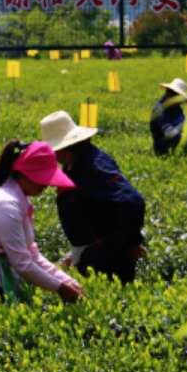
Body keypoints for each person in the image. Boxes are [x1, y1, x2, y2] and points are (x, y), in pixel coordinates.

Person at [0, 140, 83, 303]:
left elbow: (33, 255)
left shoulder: (20, 201)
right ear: (23, 174)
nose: (46, 184)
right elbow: (23, 264)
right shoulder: (6, 205)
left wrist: (68, 282)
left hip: (3, 269)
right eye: (41, 178)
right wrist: (60, 288)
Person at [41, 110, 146, 284]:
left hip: (108, 261)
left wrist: (123, 243)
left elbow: (132, 201)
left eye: (55, 150)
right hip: (90, 256)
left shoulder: (95, 166)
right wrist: (76, 253)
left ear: (66, 147)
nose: (54, 155)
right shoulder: (72, 164)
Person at [150, 78, 187, 156]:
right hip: (163, 150)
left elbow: (181, 122)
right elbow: (169, 133)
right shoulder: (159, 110)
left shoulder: (176, 108)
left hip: (177, 145)